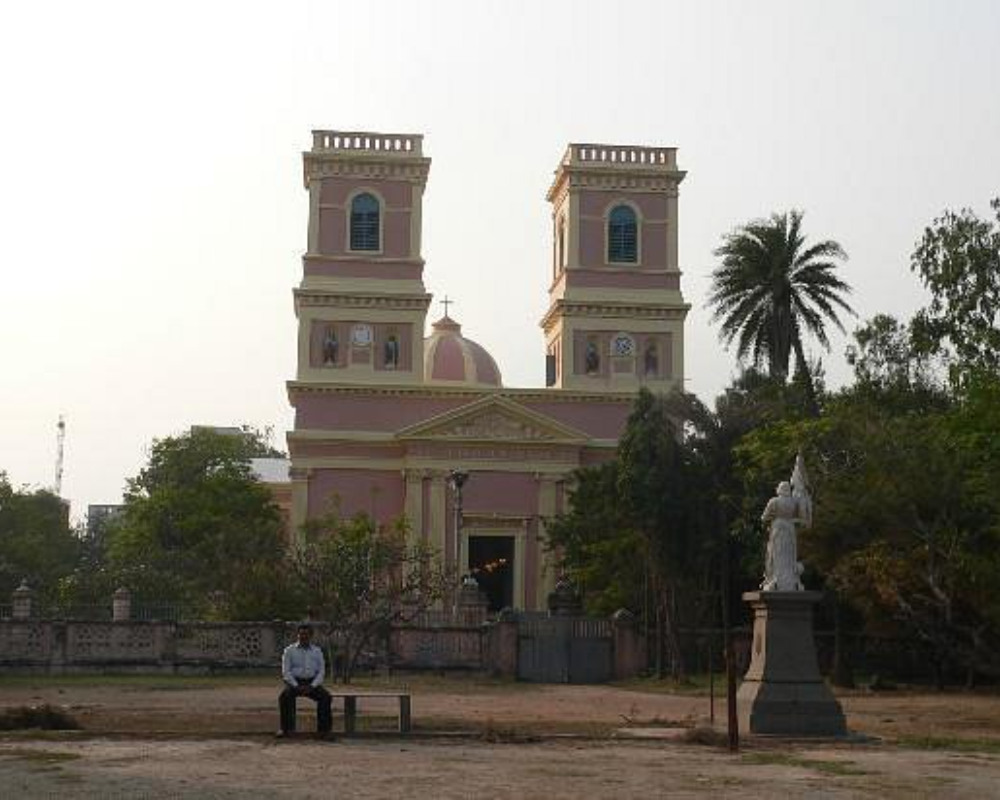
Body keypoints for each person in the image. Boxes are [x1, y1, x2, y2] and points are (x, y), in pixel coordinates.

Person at [277, 623, 333, 738]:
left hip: (312, 682)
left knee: (326, 697)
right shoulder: (289, 650)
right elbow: (286, 671)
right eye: (301, 634)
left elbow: (321, 671)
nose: (303, 637)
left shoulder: (317, 651)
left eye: (306, 634)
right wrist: (296, 685)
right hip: (294, 682)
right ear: (297, 635)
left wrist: (312, 686)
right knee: (284, 697)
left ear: (311, 636)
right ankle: (286, 729)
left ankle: (324, 731)